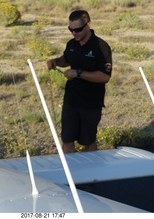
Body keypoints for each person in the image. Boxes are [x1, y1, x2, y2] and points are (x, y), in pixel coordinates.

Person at [47, 9, 112, 153]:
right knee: (67, 140)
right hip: (71, 101)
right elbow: (67, 59)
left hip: (91, 103)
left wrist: (78, 73)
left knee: (88, 142)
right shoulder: (72, 44)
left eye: (78, 30)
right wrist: (55, 61)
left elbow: (105, 77)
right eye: (71, 30)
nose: (74, 33)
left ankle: (92, 173)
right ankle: (71, 172)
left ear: (88, 25)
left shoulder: (101, 47)